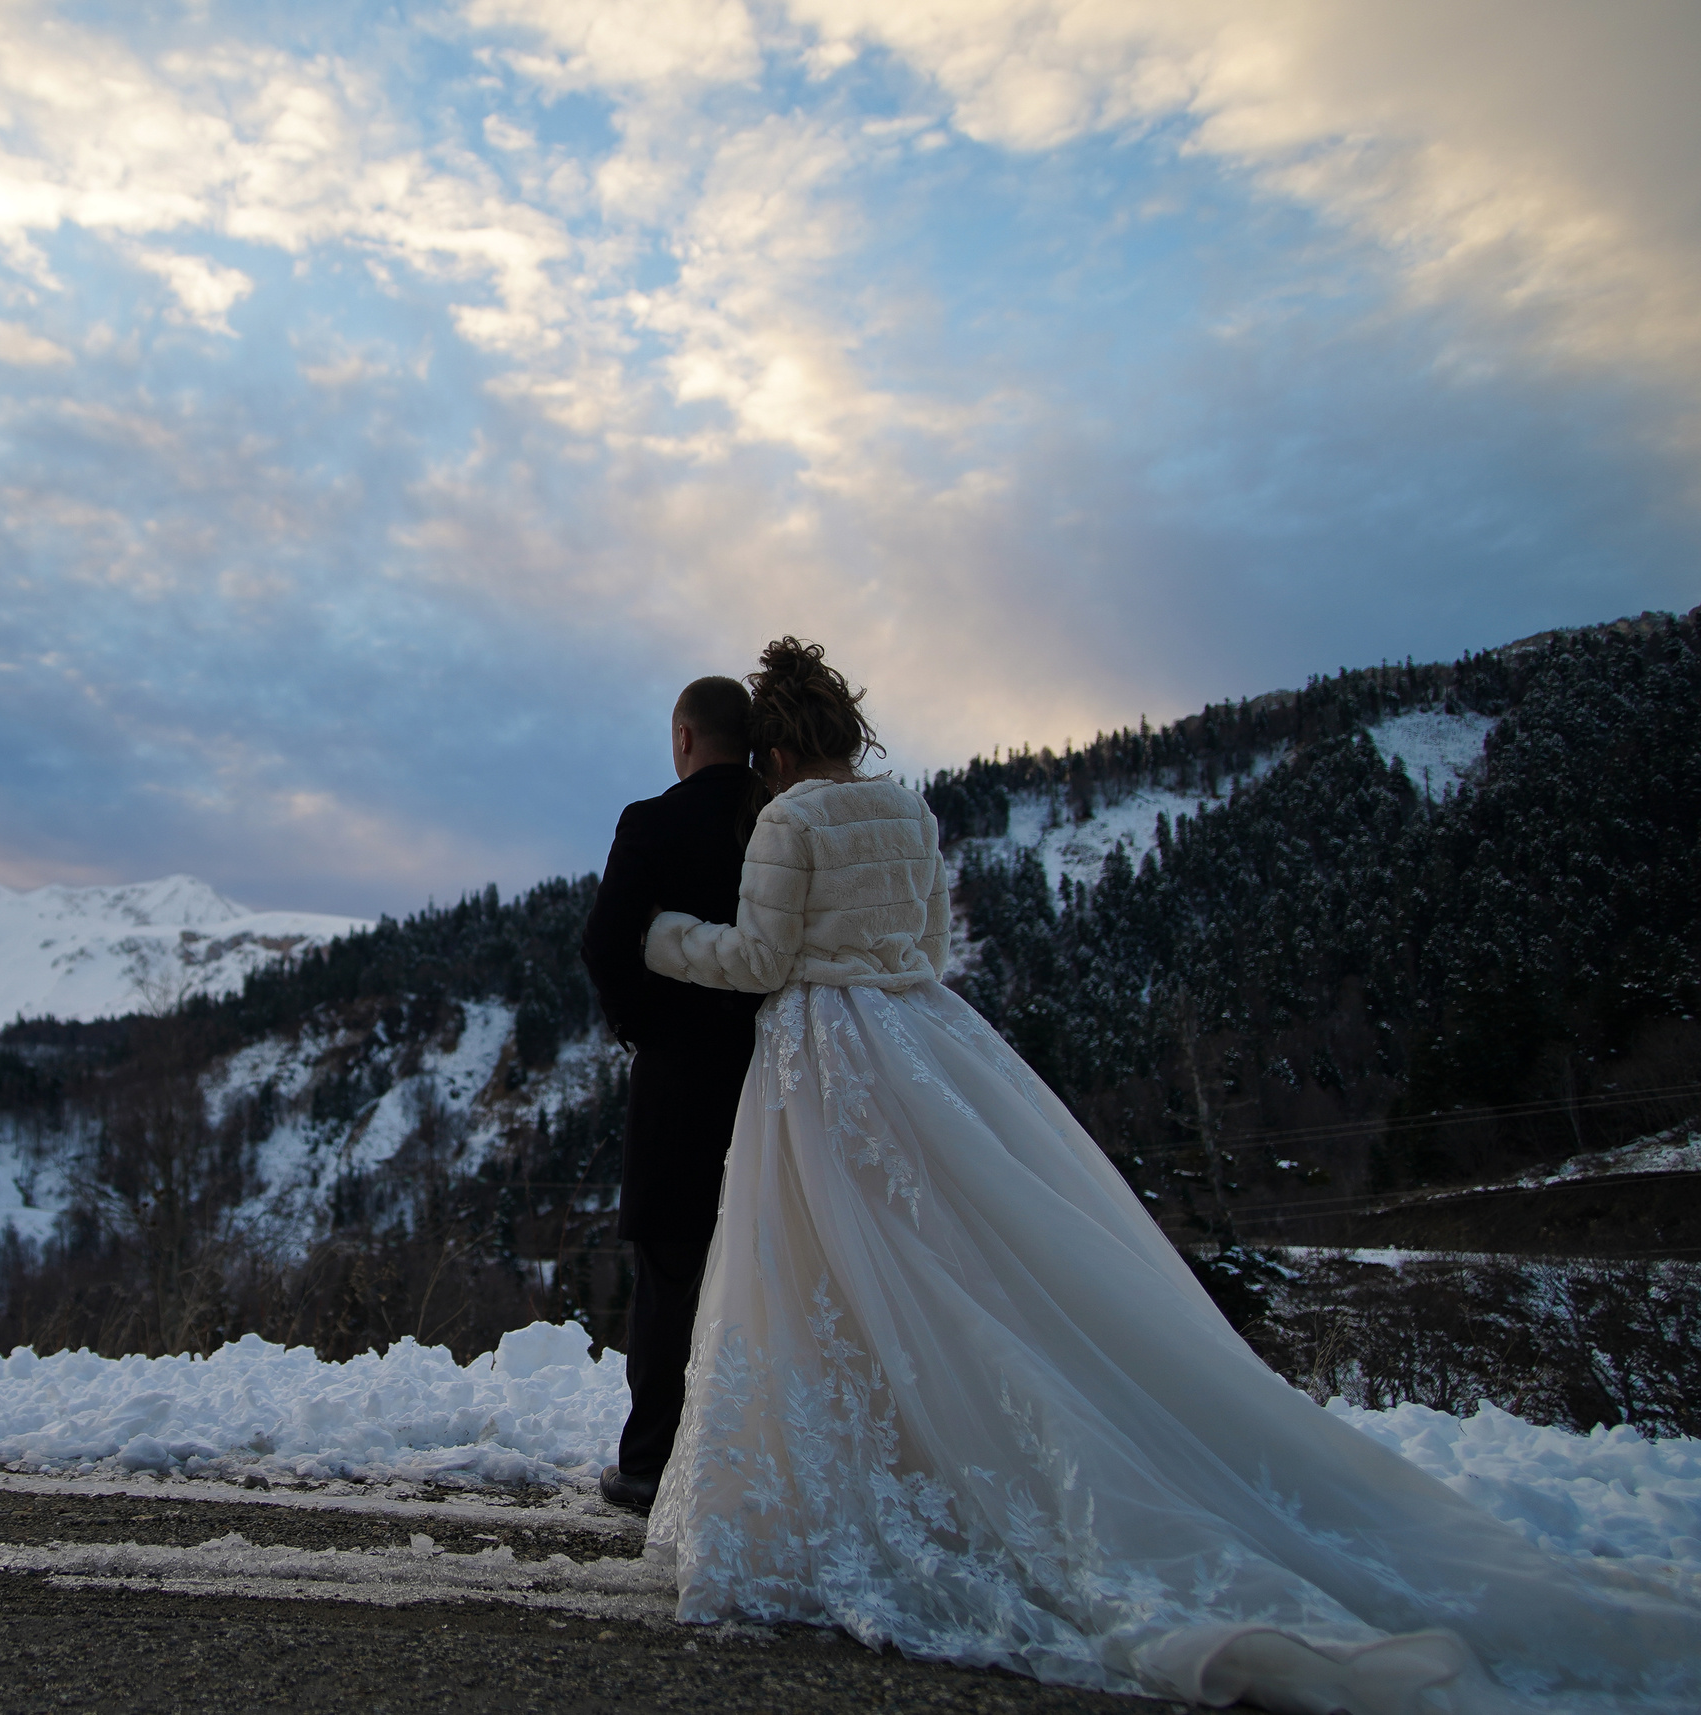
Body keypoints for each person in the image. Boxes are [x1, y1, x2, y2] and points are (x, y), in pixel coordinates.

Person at [634, 637, 1699, 1713]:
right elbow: (929, 942)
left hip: (825, 1055)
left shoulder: (787, 820)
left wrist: (668, 937)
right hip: (924, 1041)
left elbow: (763, 961)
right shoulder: (907, 810)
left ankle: (881, 1475)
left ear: (771, 744)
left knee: (827, 1262)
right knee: (959, 1254)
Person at [579, 675, 766, 1515]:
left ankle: (651, 1462)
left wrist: (641, 1026)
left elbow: (604, 941)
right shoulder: (779, 818)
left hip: (680, 1077)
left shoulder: (650, 822)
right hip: (776, 1069)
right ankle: (760, 1456)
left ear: (685, 738)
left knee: (670, 1266)